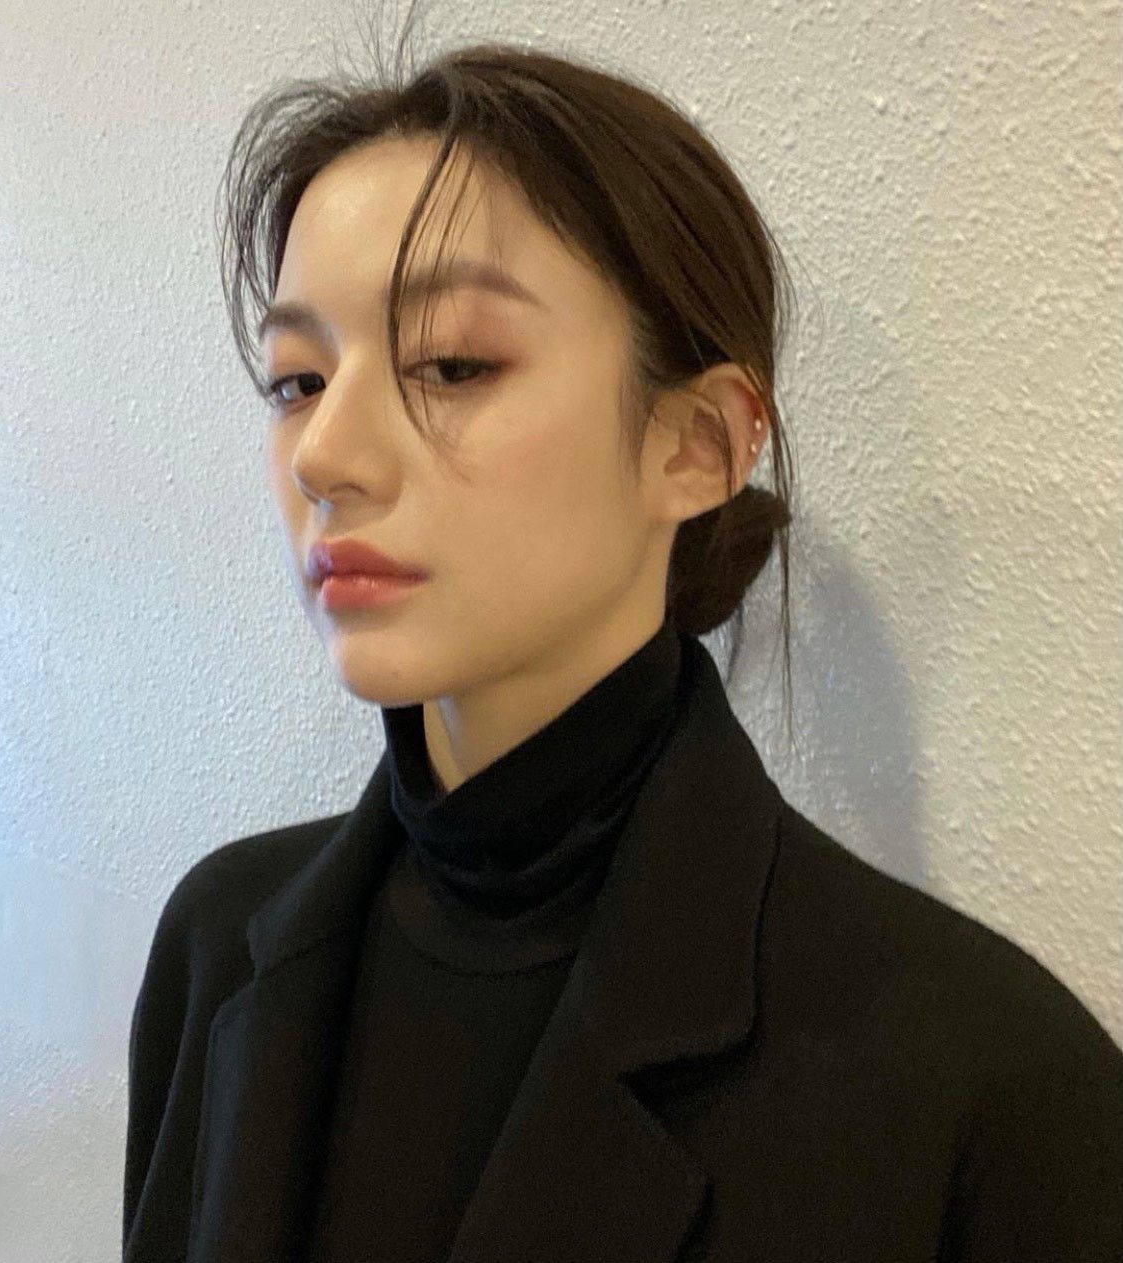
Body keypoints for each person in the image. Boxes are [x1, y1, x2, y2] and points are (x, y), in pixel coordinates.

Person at [122, 12, 1123, 1263]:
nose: (324, 454)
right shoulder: (219, 948)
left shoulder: (990, 1089)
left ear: (697, 445)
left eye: (451, 364)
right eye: (297, 380)